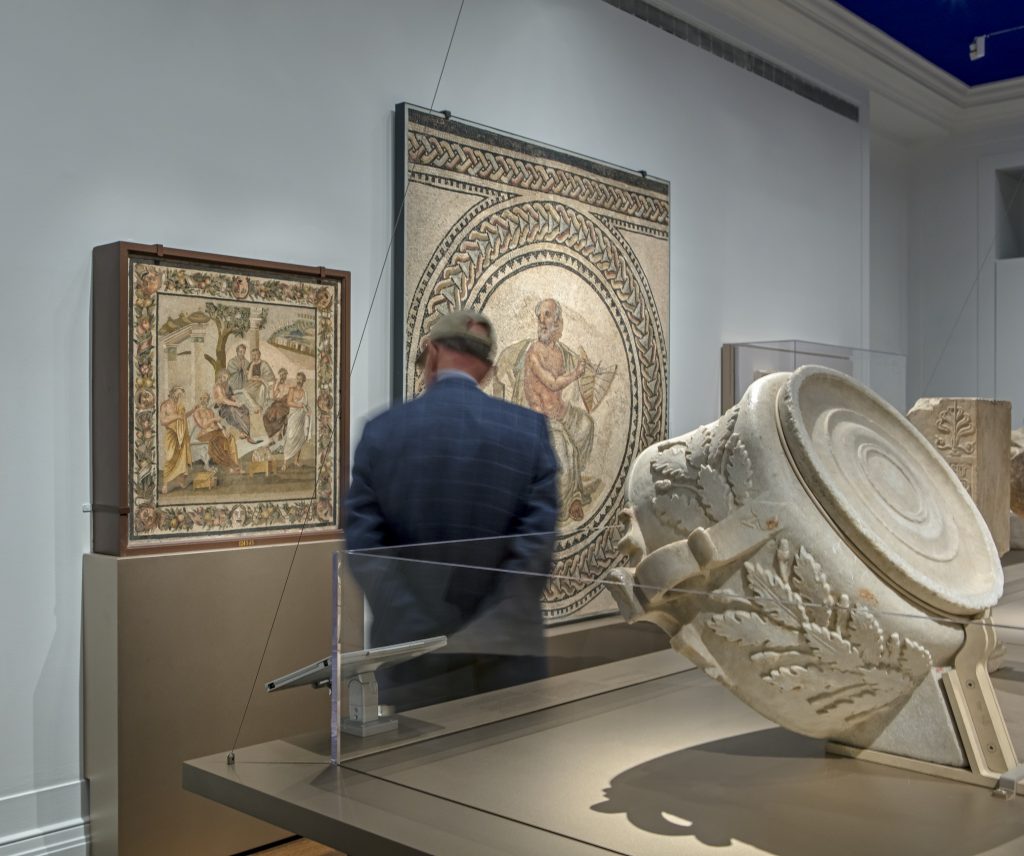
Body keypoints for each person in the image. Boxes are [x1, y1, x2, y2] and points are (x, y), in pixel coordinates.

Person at [344, 309, 559, 710]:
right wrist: (484, 637)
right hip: (507, 666)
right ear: (489, 370)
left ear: (432, 353)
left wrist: (421, 634)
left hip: (412, 666)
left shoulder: (382, 433)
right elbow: (534, 552)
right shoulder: (528, 432)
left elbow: (366, 550)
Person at [492, 297, 595, 521]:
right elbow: (552, 383)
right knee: (565, 456)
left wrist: (587, 371)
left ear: (557, 321)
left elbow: (576, 370)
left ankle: (574, 485)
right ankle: (566, 500)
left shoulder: (560, 353)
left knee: (586, 425)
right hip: (539, 418)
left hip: (559, 411)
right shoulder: (533, 353)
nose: (542, 320)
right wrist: (576, 374)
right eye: (540, 316)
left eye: (547, 315)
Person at [191, 393, 240, 472]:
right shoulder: (197, 412)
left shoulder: (210, 411)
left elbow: (217, 423)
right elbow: (203, 425)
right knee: (218, 441)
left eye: (206, 398)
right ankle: (230, 465)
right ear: (200, 399)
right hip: (204, 434)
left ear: (208, 400)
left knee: (230, 437)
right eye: (203, 398)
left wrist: (223, 430)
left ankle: (235, 463)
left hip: (215, 432)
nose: (204, 400)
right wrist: (213, 420)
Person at [159, 386, 193, 493]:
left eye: (180, 396)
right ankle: (165, 483)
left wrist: (193, 410)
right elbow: (163, 421)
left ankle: (180, 480)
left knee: (181, 459)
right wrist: (176, 417)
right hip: (172, 435)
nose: (178, 398)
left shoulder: (179, 406)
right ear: (172, 393)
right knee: (170, 458)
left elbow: (183, 417)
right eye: (177, 395)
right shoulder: (165, 405)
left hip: (181, 435)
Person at [213, 369, 255, 443]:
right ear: (220, 377)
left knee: (245, 409)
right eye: (224, 377)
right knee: (234, 411)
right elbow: (224, 400)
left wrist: (238, 401)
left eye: (227, 378)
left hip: (230, 405)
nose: (226, 380)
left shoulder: (228, 386)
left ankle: (244, 432)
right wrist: (235, 404)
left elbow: (232, 396)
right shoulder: (218, 387)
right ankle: (247, 435)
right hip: (223, 409)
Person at [281, 371, 309, 470]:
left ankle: (296, 460)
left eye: (300, 379)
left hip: (301, 419)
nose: (299, 380)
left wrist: (308, 411)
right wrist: (298, 405)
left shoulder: (304, 392)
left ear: (303, 380)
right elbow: (289, 402)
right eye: (297, 378)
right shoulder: (292, 390)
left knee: (299, 438)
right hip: (293, 417)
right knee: (290, 437)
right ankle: (285, 462)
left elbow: (306, 405)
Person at [262, 367, 291, 442]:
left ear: (286, 376)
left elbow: (288, 396)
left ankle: (278, 435)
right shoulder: (277, 384)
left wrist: (283, 397)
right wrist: (277, 384)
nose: (282, 377)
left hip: (285, 404)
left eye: (284, 375)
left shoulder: (288, 385)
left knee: (278, 412)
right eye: (281, 375)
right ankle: (272, 437)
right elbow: (273, 397)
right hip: (277, 403)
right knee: (266, 416)